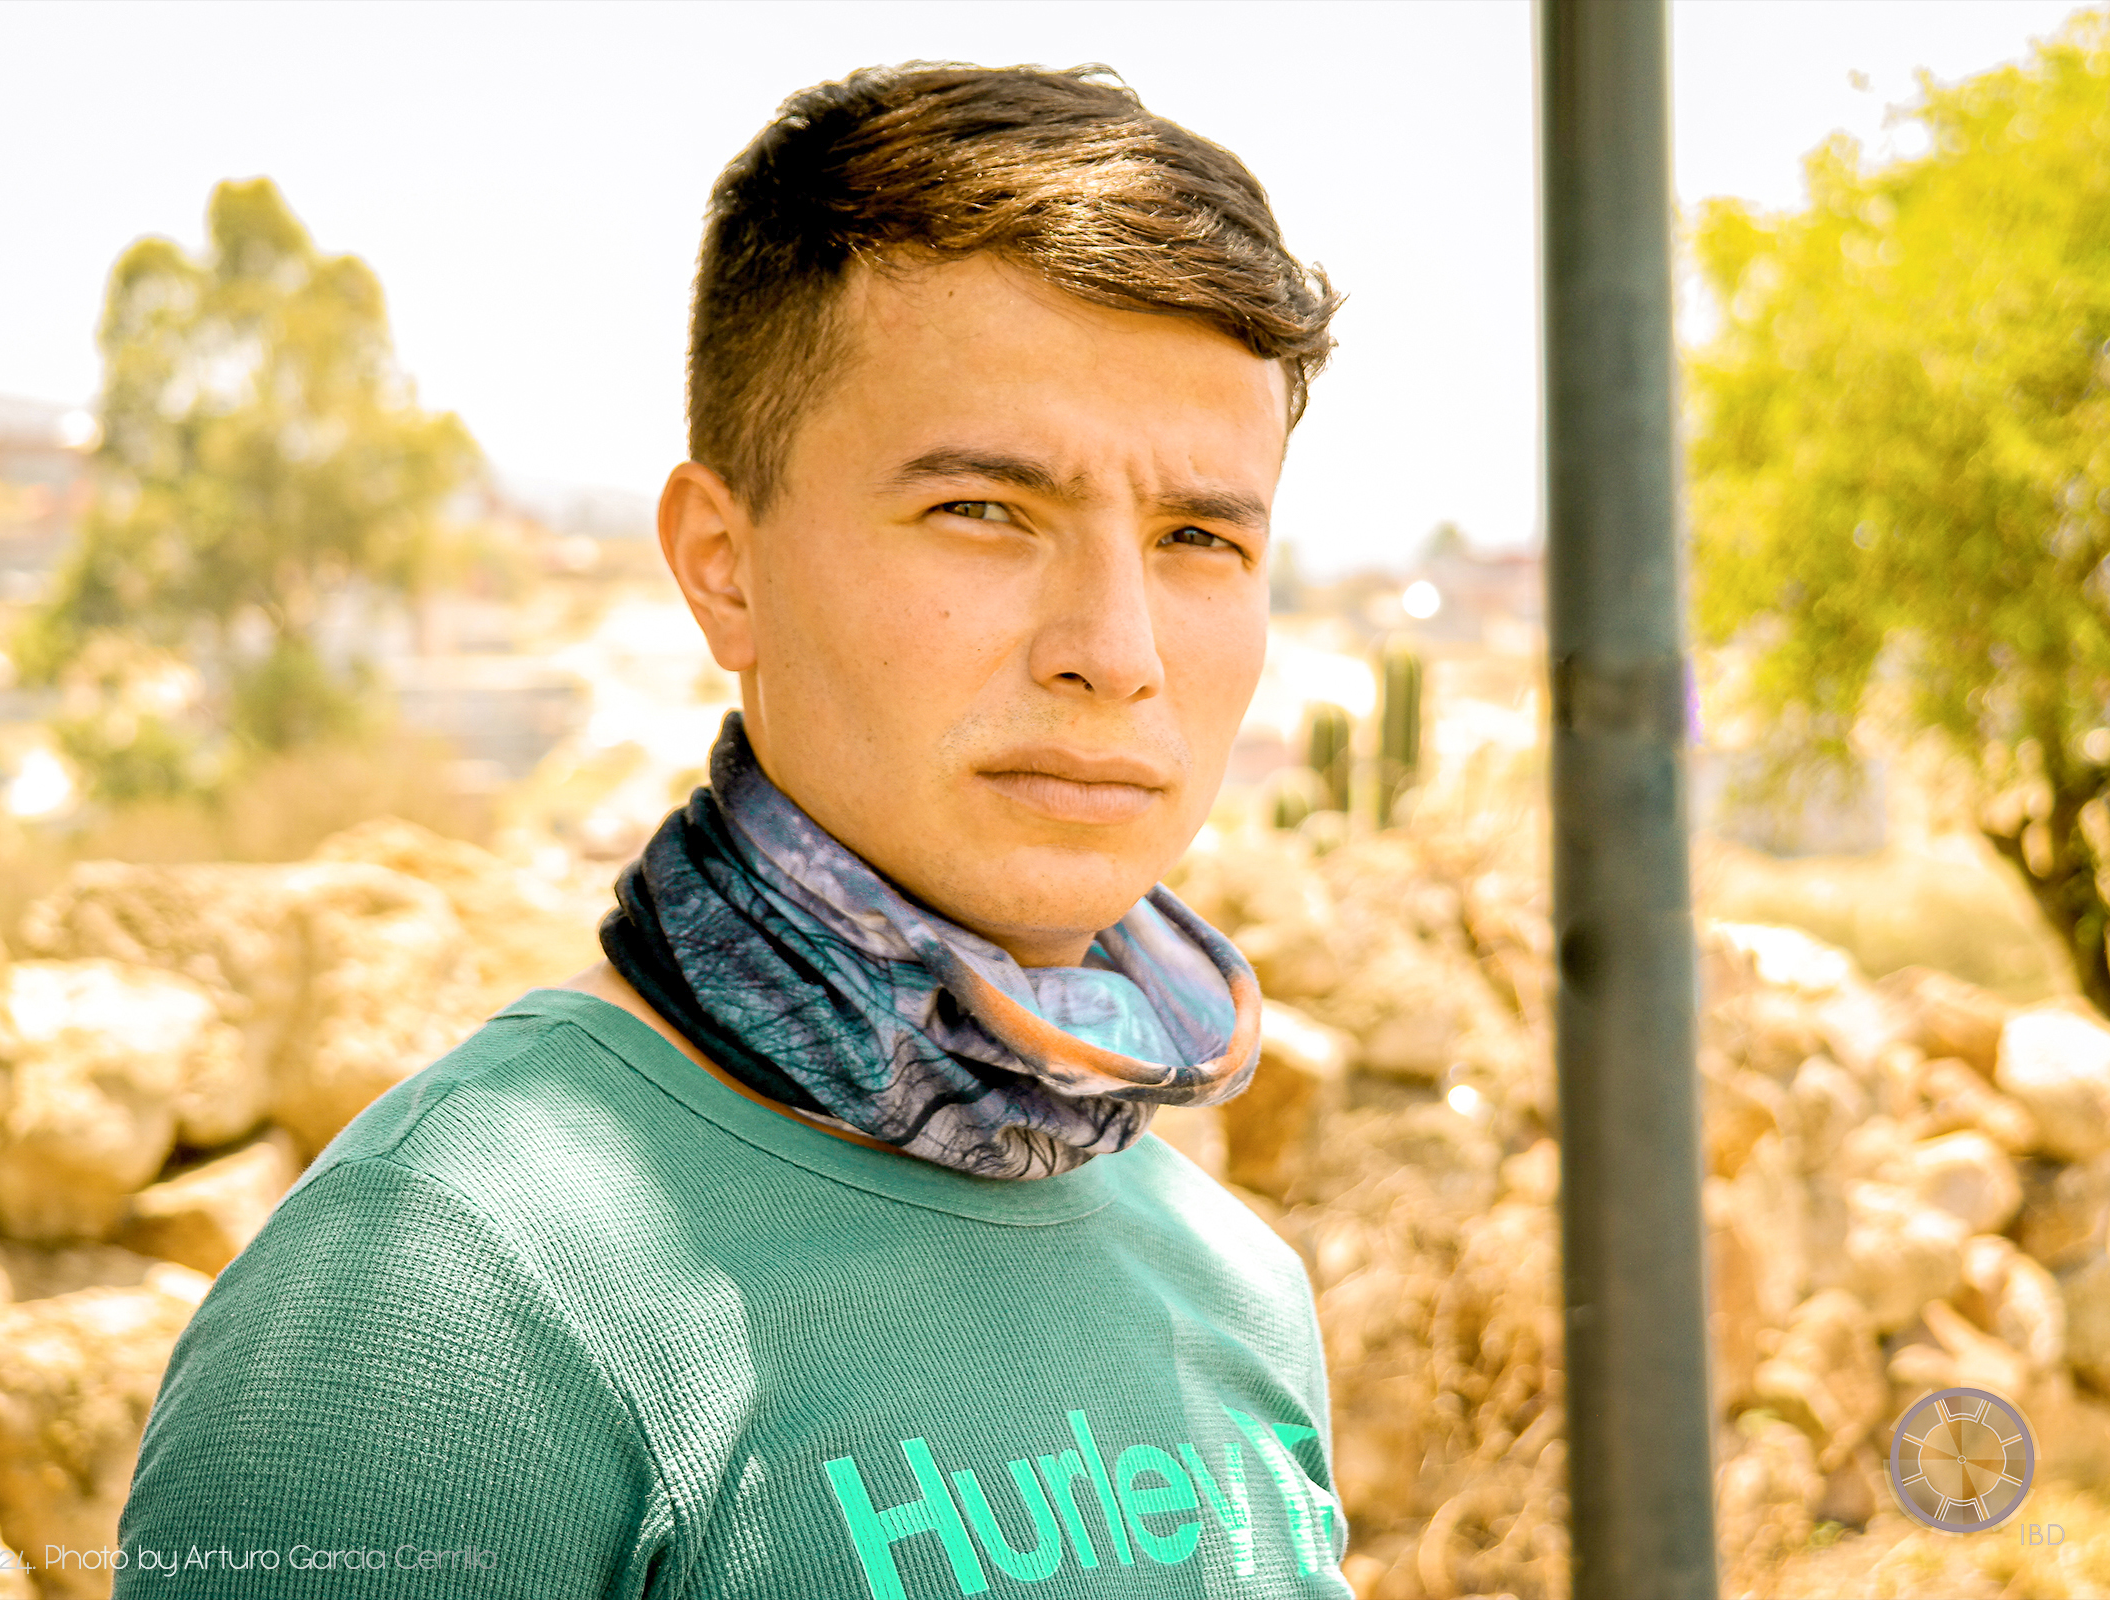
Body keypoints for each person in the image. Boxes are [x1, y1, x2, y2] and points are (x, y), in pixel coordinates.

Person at [116, 61, 1349, 1598]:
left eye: (1197, 539)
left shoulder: (1232, 1285)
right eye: (984, 510)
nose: (1117, 647)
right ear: (723, 567)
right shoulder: (451, 1288)